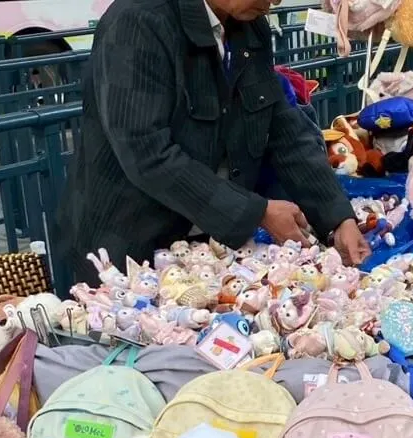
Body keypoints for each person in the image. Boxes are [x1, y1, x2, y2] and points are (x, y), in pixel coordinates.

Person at [56, 0, 370, 285]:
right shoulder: (140, 21)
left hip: (206, 250)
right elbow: (145, 152)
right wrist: (255, 212)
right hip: (127, 250)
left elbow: (282, 127)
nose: (273, 2)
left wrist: (337, 216)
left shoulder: (249, 28)